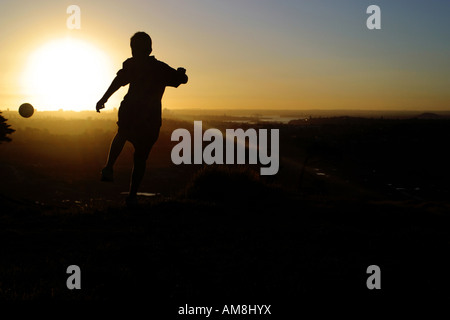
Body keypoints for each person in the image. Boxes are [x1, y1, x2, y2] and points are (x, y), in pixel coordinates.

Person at [96, 31, 188, 207]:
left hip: (132, 110)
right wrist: (181, 73)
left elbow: (118, 81)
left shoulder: (133, 65)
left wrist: (104, 99)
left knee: (122, 134)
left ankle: (109, 167)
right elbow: (180, 80)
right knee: (140, 158)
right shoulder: (161, 68)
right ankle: (132, 196)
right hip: (150, 119)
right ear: (150, 48)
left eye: (134, 48)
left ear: (134, 50)